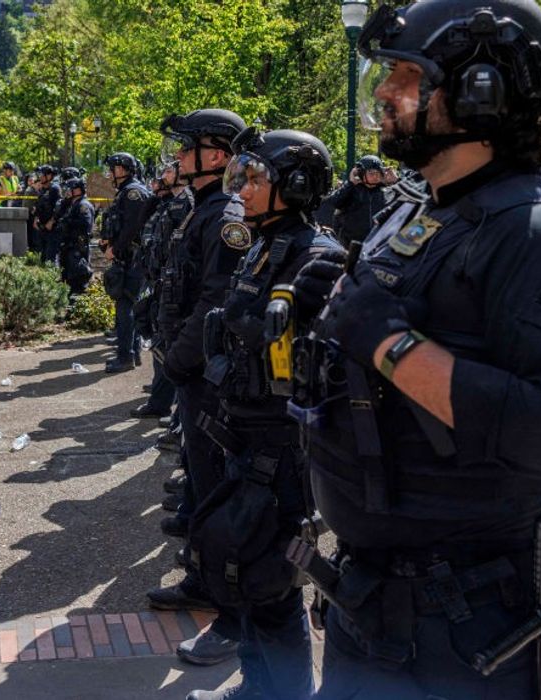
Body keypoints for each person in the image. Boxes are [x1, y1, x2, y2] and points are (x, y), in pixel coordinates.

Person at [291, 1, 541, 697]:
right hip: (376, 606)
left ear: (481, 91)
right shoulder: (417, 207)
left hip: (472, 629)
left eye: (408, 76)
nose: (386, 92)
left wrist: (389, 344)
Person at [185, 127, 341, 700]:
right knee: (244, 573)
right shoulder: (261, 246)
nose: (243, 190)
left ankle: (286, 693)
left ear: (295, 186)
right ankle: (258, 686)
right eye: (242, 177)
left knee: (273, 585)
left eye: (256, 179)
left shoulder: (316, 257)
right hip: (245, 440)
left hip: (282, 451)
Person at [147, 109, 249, 670]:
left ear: (217, 155)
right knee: (202, 485)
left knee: (216, 489)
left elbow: (216, 300)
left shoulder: (225, 215)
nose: (178, 156)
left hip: (207, 376)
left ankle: (226, 604)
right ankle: (203, 579)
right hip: (192, 373)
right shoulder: (200, 208)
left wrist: (179, 361)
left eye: (187, 147)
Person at [130, 164, 191, 420]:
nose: (162, 176)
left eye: (168, 171)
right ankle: (161, 399)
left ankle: (166, 406)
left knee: (168, 344)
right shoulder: (166, 203)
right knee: (159, 341)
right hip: (158, 281)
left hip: (173, 284)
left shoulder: (188, 203)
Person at [100, 152, 153, 373]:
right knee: (128, 305)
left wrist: (115, 249)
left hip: (133, 258)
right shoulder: (126, 191)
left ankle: (125, 357)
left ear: (122, 169)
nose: (109, 173)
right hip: (128, 257)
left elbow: (132, 227)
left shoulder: (133, 193)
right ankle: (133, 354)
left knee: (125, 307)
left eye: (112, 168)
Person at [320, 154, 392, 245]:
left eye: (378, 173)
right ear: (361, 173)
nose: (375, 176)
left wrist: (397, 181)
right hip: (351, 245)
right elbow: (334, 202)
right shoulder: (351, 190)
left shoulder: (387, 191)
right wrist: (350, 183)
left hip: (377, 244)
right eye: (371, 173)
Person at [57, 177, 94, 297]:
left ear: (77, 190)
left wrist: (68, 222)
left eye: (69, 189)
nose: (67, 192)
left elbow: (85, 224)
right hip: (69, 246)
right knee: (68, 277)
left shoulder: (83, 205)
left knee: (77, 278)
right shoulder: (72, 204)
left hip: (77, 247)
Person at [32, 165, 62, 263]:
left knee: (51, 257)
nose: (40, 177)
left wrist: (52, 221)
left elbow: (59, 207)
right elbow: (38, 205)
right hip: (42, 227)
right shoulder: (42, 189)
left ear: (49, 176)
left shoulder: (55, 189)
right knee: (43, 256)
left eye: (42, 174)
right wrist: (36, 218)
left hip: (52, 229)